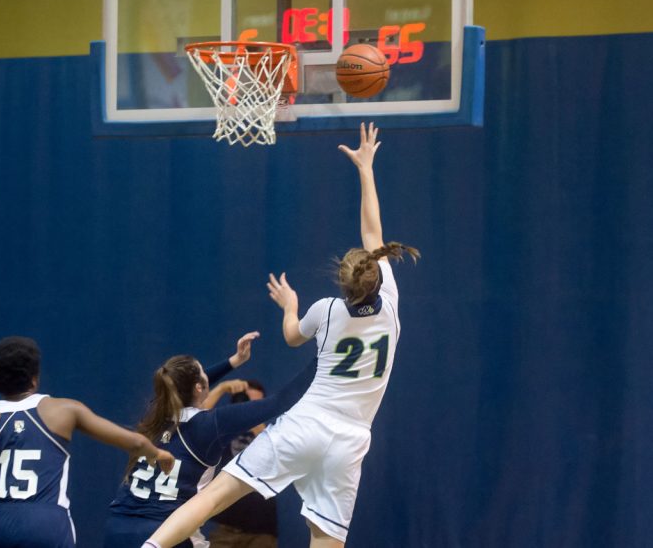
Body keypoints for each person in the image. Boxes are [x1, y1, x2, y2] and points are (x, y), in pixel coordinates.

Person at [142, 122, 420, 548]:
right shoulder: (392, 304)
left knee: (215, 496)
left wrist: (290, 306)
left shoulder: (326, 311)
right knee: (326, 538)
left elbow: (292, 337)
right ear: (377, 276)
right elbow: (373, 234)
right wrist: (367, 168)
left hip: (306, 423)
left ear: (342, 285)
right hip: (350, 441)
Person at [0, 336, 174, 548]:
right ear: (34, 378)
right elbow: (134, 443)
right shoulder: (64, 410)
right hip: (48, 521)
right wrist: (158, 454)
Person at [103, 333, 315, 548]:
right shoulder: (209, 424)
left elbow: (183, 386)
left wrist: (233, 362)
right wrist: (327, 356)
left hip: (117, 530)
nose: (207, 375)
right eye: (204, 372)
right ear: (198, 386)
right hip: (165, 534)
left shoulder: (156, 417)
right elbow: (280, 401)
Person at [207, 381, 279, 548]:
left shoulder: (271, 433)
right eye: (247, 403)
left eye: (256, 404)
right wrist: (221, 388)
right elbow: (197, 418)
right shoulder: (223, 430)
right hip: (226, 528)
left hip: (262, 531)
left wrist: (253, 420)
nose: (250, 408)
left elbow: (277, 454)